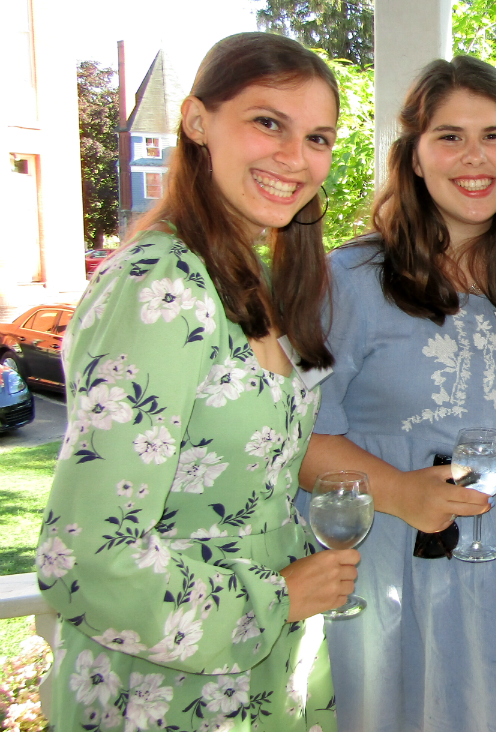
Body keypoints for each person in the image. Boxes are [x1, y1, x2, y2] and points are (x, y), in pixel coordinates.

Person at [36, 32, 356, 731]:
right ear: (196, 120)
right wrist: (277, 597)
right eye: (268, 123)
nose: (295, 158)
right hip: (165, 693)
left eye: (319, 138)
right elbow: (86, 558)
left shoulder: (253, 282)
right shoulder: (161, 285)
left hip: (266, 678)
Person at [296, 55, 496, 732]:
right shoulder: (349, 279)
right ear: (415, 159)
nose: (474, 157)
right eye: (449, 136)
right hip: (400, 581)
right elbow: (293, 439)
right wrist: (402, 492)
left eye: (494, 135)